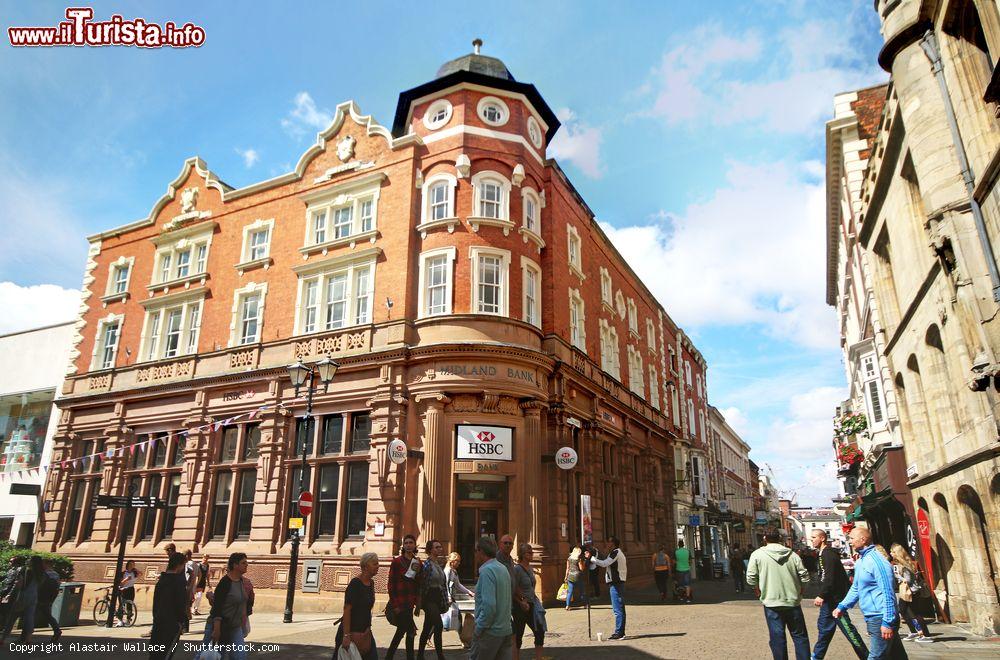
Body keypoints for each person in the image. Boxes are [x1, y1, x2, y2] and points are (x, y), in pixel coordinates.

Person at [833, 527, 909, 660]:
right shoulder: (861, 561)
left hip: (880, 616)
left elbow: (888, 592)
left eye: (852, 538)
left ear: (863, 539)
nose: (850, 542)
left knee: (876, 656)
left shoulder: (877, 562)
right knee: (897, 656)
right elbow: (856, 587)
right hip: (872, 616)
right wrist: (842, 606)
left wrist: (887, 622)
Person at [745, 529, 812, 660]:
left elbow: (750, 577)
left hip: (771, 602)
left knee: (777, 638)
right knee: (800, 637)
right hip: (792, 601)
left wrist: (756, 589)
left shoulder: (757, 554)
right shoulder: (792, 555)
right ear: (780, 538)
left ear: (765, 538)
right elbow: (805, 576)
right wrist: (801, 589)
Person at [810, 529, 867, 660]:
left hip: (835, 601)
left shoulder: (828, 555)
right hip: (829, 602)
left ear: (822, 538)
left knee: (849, 631)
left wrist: (822, 595)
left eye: (814, 537)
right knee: (824, 630)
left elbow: (829, 578)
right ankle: (816, 656)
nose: (811, 540)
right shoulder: (822, 554)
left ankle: (866, 656)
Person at [198, 552, 250, 660]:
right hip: (219, 625)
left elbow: (242, 602)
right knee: (204, 656)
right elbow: (217, 607)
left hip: (235, 626)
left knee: (240, 656)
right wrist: (216, 629)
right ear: (235, 565)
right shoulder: (225, 583)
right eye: (243, 563)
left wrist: (243, 622)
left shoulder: (240, 580)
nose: (247, 565)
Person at [471, 536, 512, 660]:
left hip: (490, 632)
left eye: (476, 551)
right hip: (505, 629)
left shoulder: (487, 571)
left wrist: (478, 629)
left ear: (481, 551)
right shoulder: (503, 568)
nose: (475, 554)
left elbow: (489, 606)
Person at [337, 553, 379, 660]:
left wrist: (368, 628)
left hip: (365, 631)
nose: (378, 566)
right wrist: (346, 635)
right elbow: (347, 609)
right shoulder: (355, 584)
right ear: (365, 566)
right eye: (374, 564)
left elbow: (367, 609)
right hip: (350, 632)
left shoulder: (371, 583)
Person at [386, 534, 422, 660]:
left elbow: (418, 584)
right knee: (409, 631)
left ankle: (389, 656)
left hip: (410, 602)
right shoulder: (396, 562)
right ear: (403, 545)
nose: (408, 545)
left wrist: (418, 604)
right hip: (400, 602)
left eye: (411, 543)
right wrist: (395, 605)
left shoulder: (417, 562)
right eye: (406, 543)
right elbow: (391, 584)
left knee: (402, 631)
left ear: (415, 545)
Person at [889, 544, 933, 644]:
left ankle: (926, 635)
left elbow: (907, 580)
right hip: (908, 591)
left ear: (897, 553)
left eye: (892, 552)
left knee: (916, 613)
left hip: (911, 591)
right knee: (903, 610)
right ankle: (915, 631)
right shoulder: (903, 563)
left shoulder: (904, 566)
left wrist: (897, 576)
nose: (891, 554)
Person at [150, 551, 188, 660]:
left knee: (155, 653)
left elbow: (155, 603)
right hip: (172, 624)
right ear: (179, 565)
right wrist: (181, 622)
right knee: (167, 653)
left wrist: (156, 617)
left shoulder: (162, 580)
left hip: (158, 621)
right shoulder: (179, 582)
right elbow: (180, 604)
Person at [590, 536, 627, 640]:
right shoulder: (617, 552)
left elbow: (604, 563)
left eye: (608, 542)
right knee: (620, 609)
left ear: (613, 543)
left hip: (616, 584)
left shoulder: (615, 553)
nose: (607, 544)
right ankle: (621, 632)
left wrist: (592, 559)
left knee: (617, 609)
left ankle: (619, 633)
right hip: (618, 583)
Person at [512, 543, 545, 660]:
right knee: (518, 635)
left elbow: (531, 587)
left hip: (532, 605)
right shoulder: (517, 569)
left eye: (532, 552)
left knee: (540, 631)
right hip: (520, 606)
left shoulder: (530, 568)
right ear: (522, 554)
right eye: (529, 553)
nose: (532, 554)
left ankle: (538, 657)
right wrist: (521, 601)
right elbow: (513, 588)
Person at [0, 555, 42, 644]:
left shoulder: (26, 570)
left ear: (32, 562)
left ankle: (3, 639)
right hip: (34, 597)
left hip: (22, 596)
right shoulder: (41, 573)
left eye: (30, 560)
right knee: (29, 618)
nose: (28, 561)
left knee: (12, 618)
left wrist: (11, 594)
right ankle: (28, 639)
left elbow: (19, 584)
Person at [417, 540, 448, 660]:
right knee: (438, 625)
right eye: (437, 547)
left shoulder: (438, 564)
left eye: (440, 547)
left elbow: (442, 583)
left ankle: (420, 655)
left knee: (427, 627)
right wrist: (419, 603)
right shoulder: (427, 565)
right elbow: (421, 584)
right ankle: (441, 656)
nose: (440, 549)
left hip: (437, 598)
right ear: (430, 550)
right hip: (429, 598)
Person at [37, 559, 62, 643]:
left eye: (43, 564)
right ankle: (57, 630)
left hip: (40, 596)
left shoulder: (44, 574)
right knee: (47, 615)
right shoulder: (56, 574)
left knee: (29, 614)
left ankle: (25, 635)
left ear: (47, 564)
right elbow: (57, 587)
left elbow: (39, 585)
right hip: (49, 597)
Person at [116, 559, 139, 627]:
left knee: (129, 605)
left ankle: (128, 620)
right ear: (128, 565)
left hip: (131, 589)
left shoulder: (134, 573)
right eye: (131, 564)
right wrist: (126, 580)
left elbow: (141, 574)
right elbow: (120, 583)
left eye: (133, 564)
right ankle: (120, 620)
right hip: (123, 589)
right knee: (121, 605)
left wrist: (136, 570)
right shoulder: (123, 573)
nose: (132, 566)